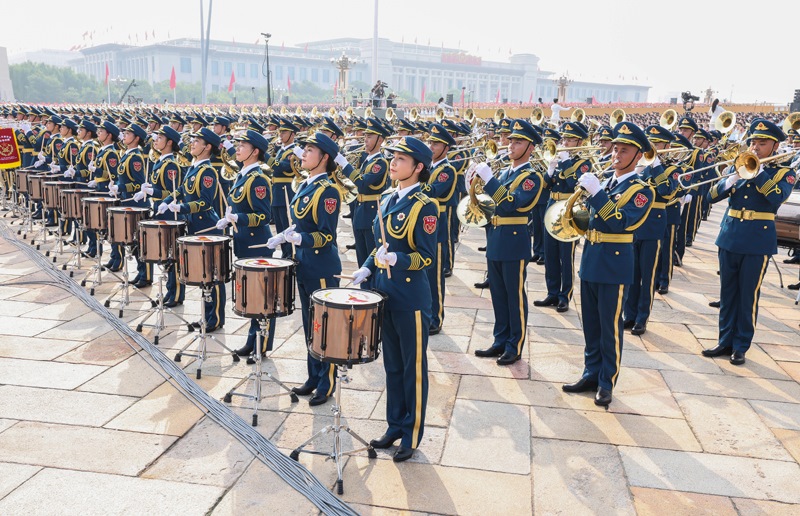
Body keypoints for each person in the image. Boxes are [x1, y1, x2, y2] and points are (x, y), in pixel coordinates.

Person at [351, 136, 438, 463]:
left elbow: (427, 257)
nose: (393, 163)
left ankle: (411, 433)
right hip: (384, 293)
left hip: (411, 298)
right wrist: (367, 266)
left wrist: (397, 260)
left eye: (401, 159)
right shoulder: (387, 199)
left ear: (417, 167)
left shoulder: (424, 205)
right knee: (393, 366)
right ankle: (394, 425)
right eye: (393, 157)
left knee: (413, 368)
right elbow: (380, 246)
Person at [563, 121, 655, 406]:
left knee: (610, 327)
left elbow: (620, 222)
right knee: (591, 325)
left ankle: (607, 381)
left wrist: (597, 194)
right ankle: (590, 373)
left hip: (614, 265)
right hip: (591, 259)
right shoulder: (605, 182)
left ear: (637, 156)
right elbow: (590, 219)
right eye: (615, 148)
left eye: (624, 150)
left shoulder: (642, 191)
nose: (616, 154)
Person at [702, 119, 796, 365]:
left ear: (775, 146)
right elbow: (710, 197)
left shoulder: (783, 173)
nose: (755, 147)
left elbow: (776, 198)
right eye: (753, 142)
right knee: (727, 293)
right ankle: (724, 341)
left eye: (762, 143)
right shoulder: (740, 166)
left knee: (747, 296)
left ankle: (740, 345)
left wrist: (759, 173)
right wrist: (732, 178)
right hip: (730, 237)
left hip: (757, 240)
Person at [267, 132, 342, 406]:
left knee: (324, 325)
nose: (304, 154)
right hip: (305, 263)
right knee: (310, 324)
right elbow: (300, 223)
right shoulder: (305, 185)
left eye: (310, 150)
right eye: (305, 149)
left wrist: (302, 239)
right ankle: (313, 376)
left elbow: (327, 235)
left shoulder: (328, 191)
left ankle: (326, 381)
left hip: (321, 266)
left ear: (324, 158)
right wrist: (284, 235)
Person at [472, 120, 544, 365]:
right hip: (496, 237)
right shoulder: (505, 172)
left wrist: (489, 180)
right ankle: (500, 339)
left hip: (514, 240)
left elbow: (511, 203)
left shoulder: (531, 177)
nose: (511, 145)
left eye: (518, 142)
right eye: (511, 140)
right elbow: (491, 203)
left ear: (530, 147)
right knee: (498, 295)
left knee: (514, 296)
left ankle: (515, 344)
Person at [215, 130, 276, 358]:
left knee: (262, 297)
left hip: (256, 244)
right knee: (251, 297)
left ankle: (262, 344)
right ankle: (252, 340)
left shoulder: (258, 179)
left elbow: (264, 216)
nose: (237, 149)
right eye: (238, 145)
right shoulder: (242, 176)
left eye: (243, 146)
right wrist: (229, 220)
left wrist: (238, 218)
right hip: (244, 244)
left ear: (255, 151)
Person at [158, 127, 226, 331]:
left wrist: (183, 207)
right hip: (195, 226)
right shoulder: (194, 167)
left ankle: (215, 318)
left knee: (212, 276)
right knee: (203, 276)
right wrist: (167, 201)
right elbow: (180, 189)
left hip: (207, 227)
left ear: (207, 147)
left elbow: (205, 202)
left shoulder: (208, 171)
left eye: (197, 141)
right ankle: (206, 315)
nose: (192, 144)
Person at [623, 125, 677, 335]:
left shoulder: (670, 169)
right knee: (631, 273)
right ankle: (629, 315)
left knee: (648, 276)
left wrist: (656, 165)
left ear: (667, 146)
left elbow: (666, 191)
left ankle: (642, 318)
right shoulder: (638, 166)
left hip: (652, 227)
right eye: (649, 143)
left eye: (657, 143)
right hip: (634, 225)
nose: (651, 147)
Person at [536, 122, 591, 312]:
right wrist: (550, 169)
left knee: (566, 256)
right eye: (564, 139)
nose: (565, 142)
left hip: (570, 209)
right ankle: (552, 292)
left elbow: (574, 185)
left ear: (580, 142)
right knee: (550, 253)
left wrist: (566, 162)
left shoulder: (584, 163)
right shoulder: (560, 160)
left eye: (570, 139)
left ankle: (564, 295)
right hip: (553, 207)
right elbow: (546, 186)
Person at [135, 126, 184, 306]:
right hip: (160, 211)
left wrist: (153, 192)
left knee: (172, 255)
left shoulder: (171, 165)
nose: (155, 140)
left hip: (170, 213)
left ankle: (176, 293)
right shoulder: (160, 162)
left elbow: (174, 193)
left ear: (169, 142)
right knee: (165, 254)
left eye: (160, 138)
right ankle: (170, 291)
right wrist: (147, 191)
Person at [344, 117, 390, 289]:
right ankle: (365, 290)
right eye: (365, 136)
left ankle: (373, 292)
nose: (365, 139)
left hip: (372, 212)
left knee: (372, 259)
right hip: (360, 211)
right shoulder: (367, 159)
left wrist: (345, 165)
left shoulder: (380, 163)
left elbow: (363, 184)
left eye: (370, 137)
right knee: (361, 259)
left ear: (380, 140)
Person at [422, 123, 457, 334]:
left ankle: (436, 317)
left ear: (446, 147)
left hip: (437, 224)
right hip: (422, 223)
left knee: (434, 278)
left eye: (436, 144)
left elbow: (433, 191)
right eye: (431, 142)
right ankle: (425, 313)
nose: (431, 147)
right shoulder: (429, 167)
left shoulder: (447, 170)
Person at [114, 123, 151, 288]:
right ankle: (141, 272)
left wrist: (121, 187)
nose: (124, 135)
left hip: (136, 203)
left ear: (136, 138)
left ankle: (146, 275)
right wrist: (116, 186)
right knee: (134, 242)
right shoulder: (127, 154)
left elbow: (139, 184)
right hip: (128, 202)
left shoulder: (135, 157)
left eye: (128, 134)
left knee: (140, 241)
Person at [268, 117, 302, 259]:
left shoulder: (293, 152)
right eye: (280, 132)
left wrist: (266, 158)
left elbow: (283, 167)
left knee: (287, 227)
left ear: (292, 134)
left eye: (284, 132)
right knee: (280, 228)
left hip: (286, 191)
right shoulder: (281, 150)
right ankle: (285, 253)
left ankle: (291, 255)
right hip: (277, 191)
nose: (280, 135)